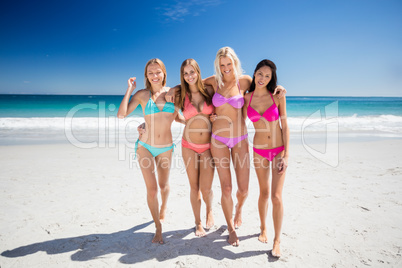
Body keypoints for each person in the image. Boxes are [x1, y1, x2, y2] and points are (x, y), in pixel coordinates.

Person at [117, 58, 183, 244]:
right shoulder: (142, 95)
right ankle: (158, 227)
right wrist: (129, 89)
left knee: (163, 186)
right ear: (147, 75)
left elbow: (180, 117)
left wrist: (205, 120)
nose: (155, 75)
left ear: (163, 73)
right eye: (151, 73)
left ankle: (163, 209)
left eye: (158, 72)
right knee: (152, 190)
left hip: (166, 148)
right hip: (144, 146)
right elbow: (121, 114)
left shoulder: (173, 93)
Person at [243, 59, 289, 257]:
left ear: (272, 79)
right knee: (263, 193)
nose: (263, 78)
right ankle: (263, 228)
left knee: (276, 197)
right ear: (254, 74)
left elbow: (285, 126)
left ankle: (277, 240)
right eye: (260, 74)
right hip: (259, 151)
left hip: (279, 150)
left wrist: (286, 154)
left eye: (267, 76)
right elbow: (235, 120)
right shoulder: (246, 99)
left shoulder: (278, 96)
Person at [177, 59, 215, 236]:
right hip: (188, 145)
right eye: (185, 73)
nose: (189, 76)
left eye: (192, 72)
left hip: (208, 146)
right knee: (194, 187)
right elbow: (165, 113)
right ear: (182, 76)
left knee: (206, 188)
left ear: (198, 72)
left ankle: (209, 210)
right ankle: (198, 222)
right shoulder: (180, 95)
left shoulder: (209, 90)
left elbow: (221, 79)